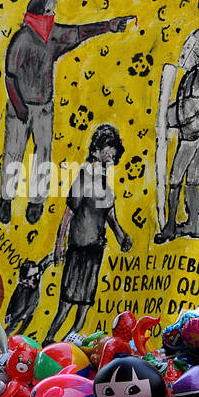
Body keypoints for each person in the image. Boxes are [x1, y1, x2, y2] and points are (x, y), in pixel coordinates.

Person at [0, 0, 134, 225]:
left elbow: (80, 32)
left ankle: (36, 202)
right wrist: (19, 106)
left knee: (43, 154)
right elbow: (10, 76)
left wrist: (109, 26)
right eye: (49, 11)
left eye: (53, 11)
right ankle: (6, 198)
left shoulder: (53, 36)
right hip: (18, 106)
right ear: (39, 13)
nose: (53, 15)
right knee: (13, 153)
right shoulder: (21, 39)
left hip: (44, 108)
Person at [46, 124, 132, 343]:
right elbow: (68, 214)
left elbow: (111, 218)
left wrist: (121, 236)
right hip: (78, 250)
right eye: (106, 154)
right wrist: (59, 245)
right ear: (95, 152)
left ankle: (67, 344)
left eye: (112, 157)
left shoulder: (106, 187)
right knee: (66, 303)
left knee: (84, 305)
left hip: (95, 251)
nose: (109, 161)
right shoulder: (83, 179)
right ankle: (49, 340)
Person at [155, 27, 199, 243]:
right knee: (193, 179)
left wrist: (167, 118)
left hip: (191, 137)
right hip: (198, 134)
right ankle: (194, 224)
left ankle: (171, 227)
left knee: (175, 179)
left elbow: (190, 108)